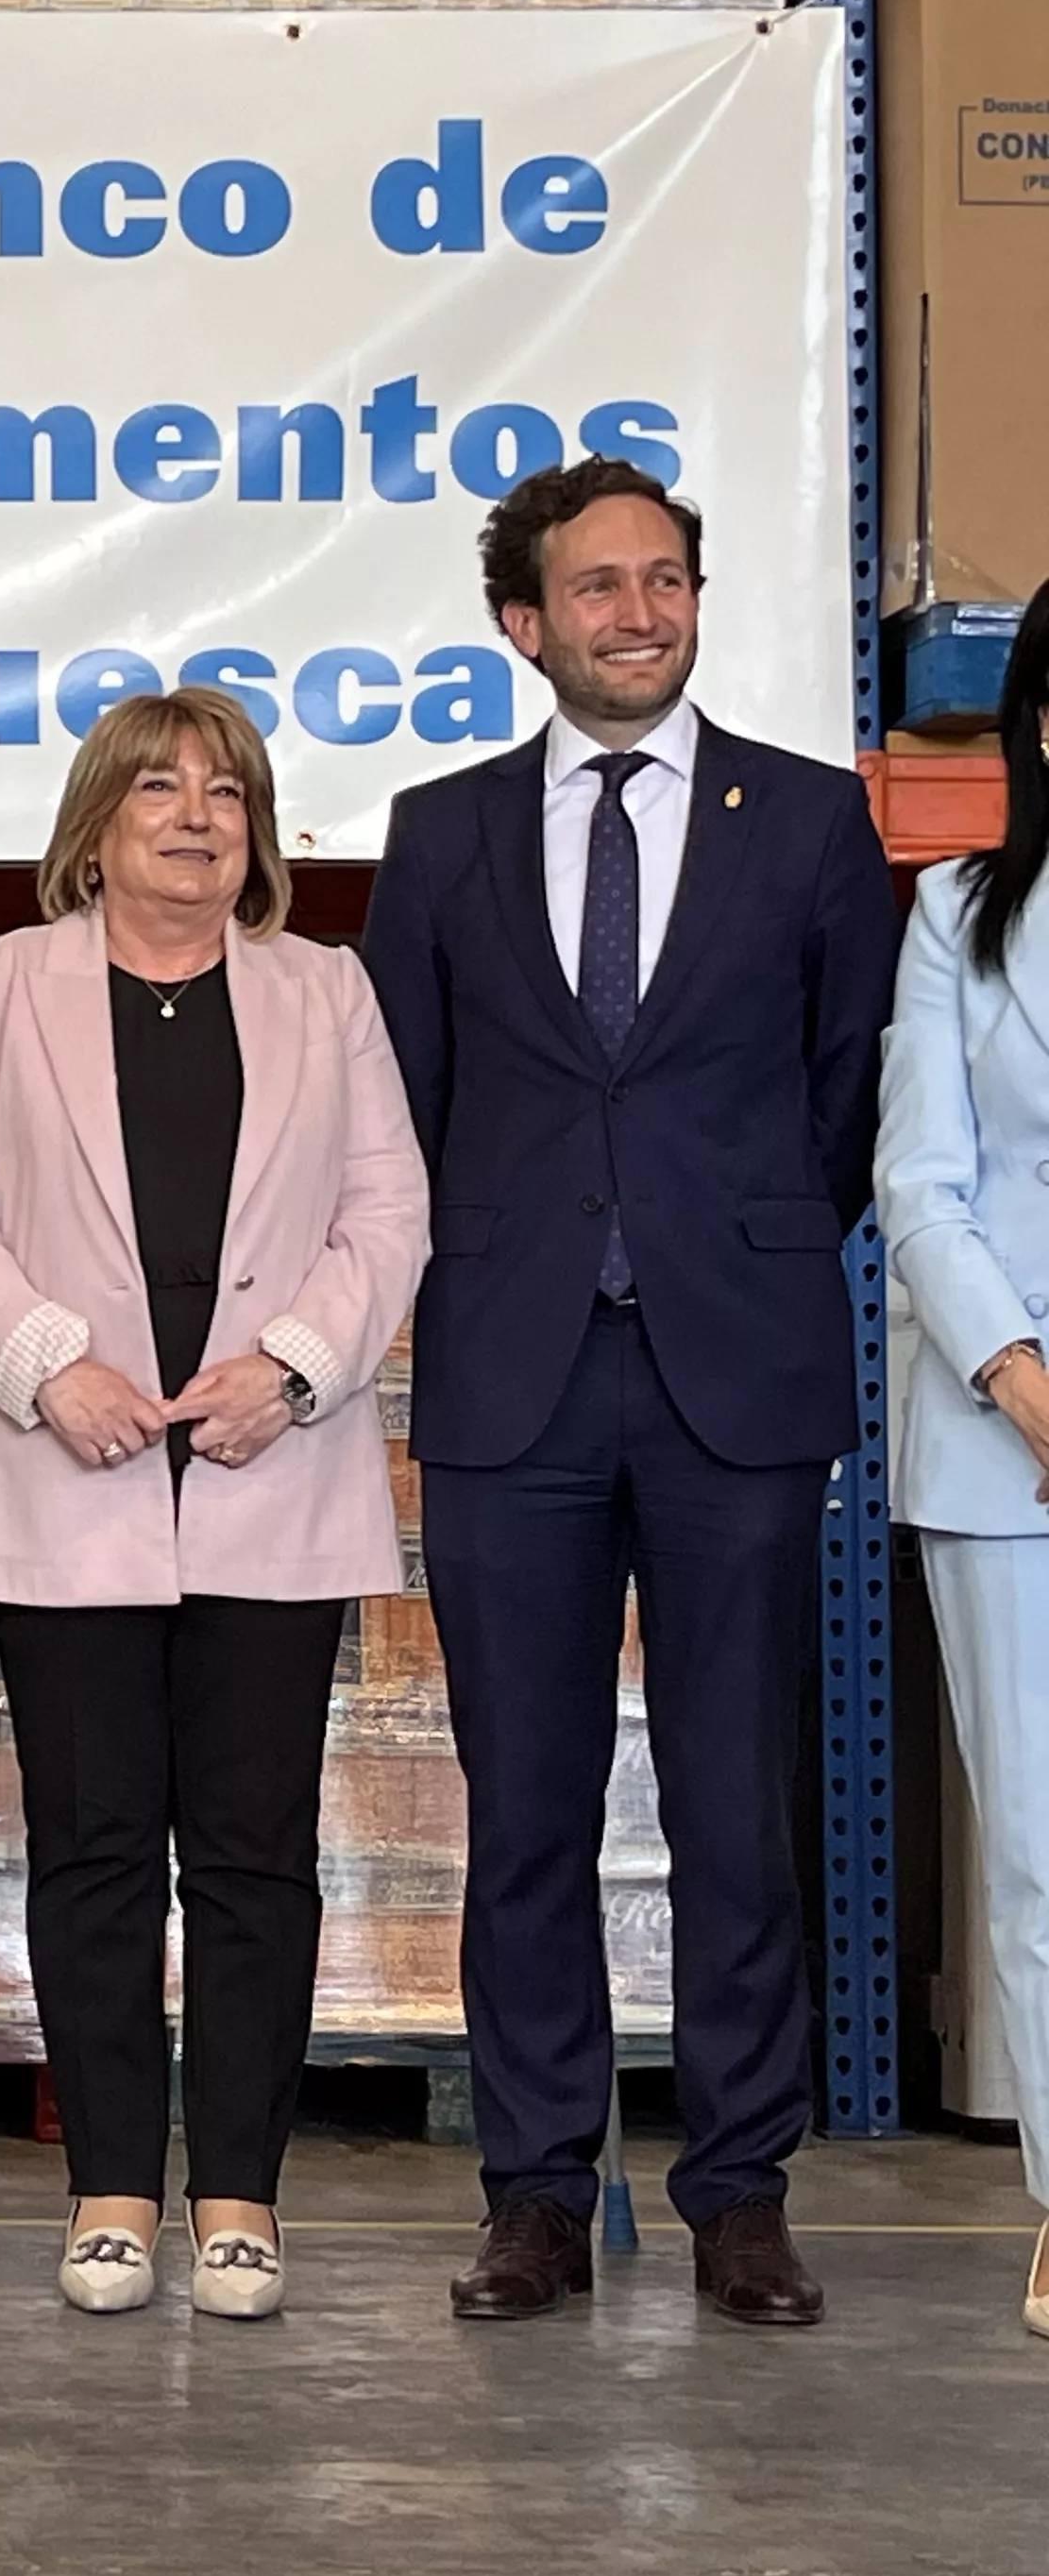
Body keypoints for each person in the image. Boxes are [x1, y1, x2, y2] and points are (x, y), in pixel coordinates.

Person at [364, 456, 896, 2327]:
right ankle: (534, 2188)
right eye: (597, 587)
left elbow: (843, 1105)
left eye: (665, 579)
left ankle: (741, 2190)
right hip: (510, 1377)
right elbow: (403, 1118)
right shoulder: (437, 837)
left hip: (732, 1372)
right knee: (526, 1806)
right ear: (527, 622)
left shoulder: (814, 823)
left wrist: (720, 1245)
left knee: (744, 1801)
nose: (637, 614)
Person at [0, 689, 427, 2321]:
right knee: (98, 1846)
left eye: (227, 793)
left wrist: (297, 1367)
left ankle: (244, 2202)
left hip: (268, 1458)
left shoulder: (323, 988)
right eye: (158, 791)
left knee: (258, 1855)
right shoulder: (1, 982)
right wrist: (48, 1361)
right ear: (98, 823)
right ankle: (114, 2193)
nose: (197, 816)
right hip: (77, 1467)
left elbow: (387, 1209)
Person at [875, 576, 1049, 2340]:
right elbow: (919, 1182)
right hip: (1015, 1452)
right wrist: (1023, 1377)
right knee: (1043, 1863)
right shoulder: (960, 916)